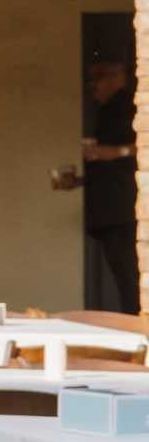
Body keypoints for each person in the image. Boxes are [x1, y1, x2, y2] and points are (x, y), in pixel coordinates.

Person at [57, 47, 136, 312]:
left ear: (118, 76)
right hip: (110, 214)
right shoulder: (107, 110)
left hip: (124, 212)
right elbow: (108, 164)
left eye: (99, 77)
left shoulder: (131, 106)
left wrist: (114, 152)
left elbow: (139, 148)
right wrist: (79, 181)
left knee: (131, 281)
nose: (93, 86)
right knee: (125, 280)